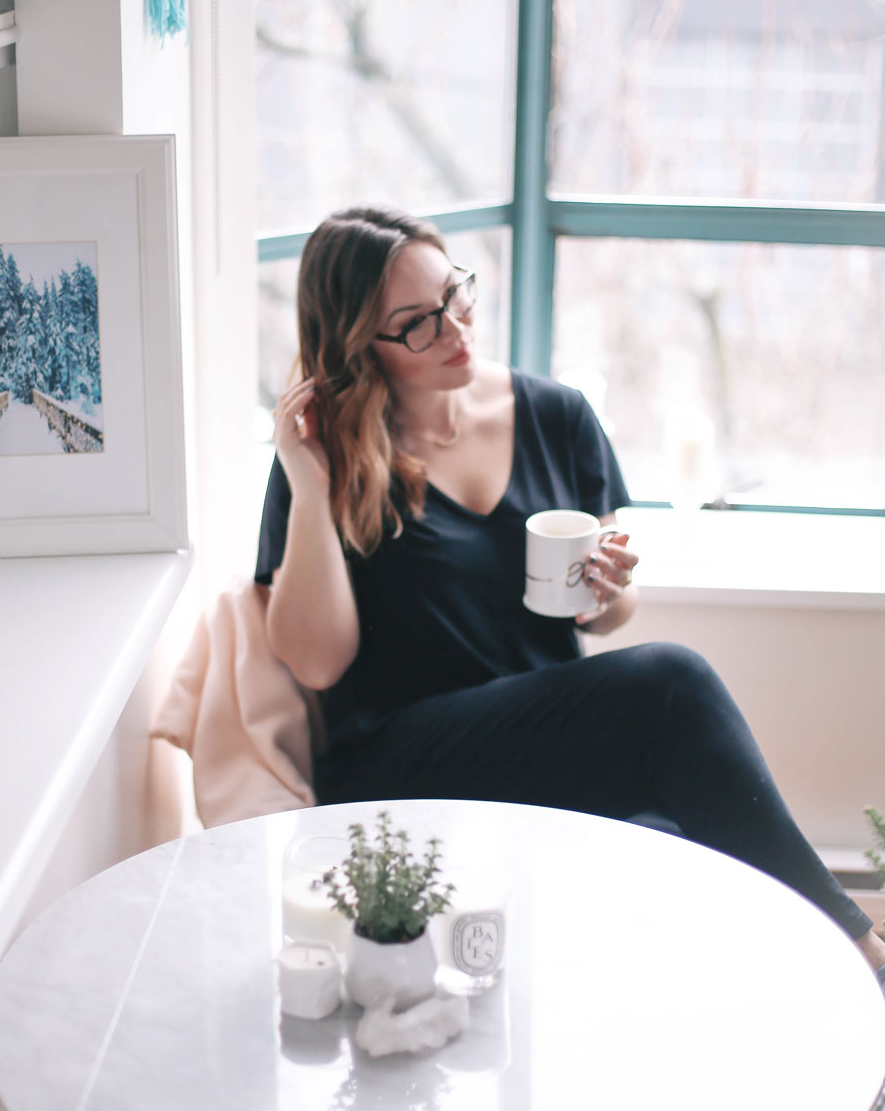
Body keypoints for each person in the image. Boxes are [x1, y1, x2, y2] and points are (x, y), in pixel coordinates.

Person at [255, 204, 885, 979]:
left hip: (543, 745)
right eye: (417, 323)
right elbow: (316, 664)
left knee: (674, 838)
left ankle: (819, 1021)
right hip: (403, 770)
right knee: (672, 681)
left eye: (456, 294)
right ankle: (863, 955)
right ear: (361, 345)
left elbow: (608, 611)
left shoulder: (557, 415)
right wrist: (311, 491)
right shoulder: (325, 457)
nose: (456, 328)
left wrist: (608, 590)